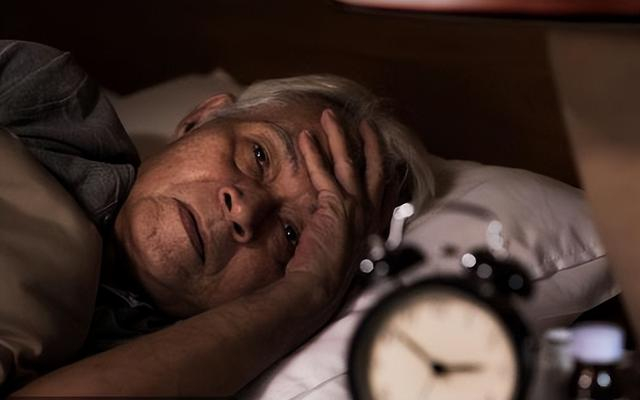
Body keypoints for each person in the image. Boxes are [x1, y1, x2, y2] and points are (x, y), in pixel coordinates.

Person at [1, 40, 433, 396]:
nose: (244, 210)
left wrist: (308, 291)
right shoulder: (48, 105)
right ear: (199, 120)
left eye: (291, 234)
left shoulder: (194, 366)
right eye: (259, 155)